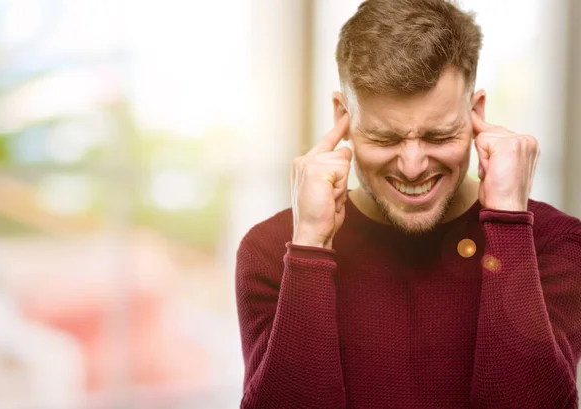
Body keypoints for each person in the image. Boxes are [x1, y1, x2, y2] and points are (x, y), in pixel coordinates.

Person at [235, 0, 581, 407]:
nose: (413, 166)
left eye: (439, 136)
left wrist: (507, 220)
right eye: (384, 138)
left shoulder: (557, 244)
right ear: (342, 117)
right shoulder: (271, 249)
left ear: (475, 113)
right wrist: (311, 245)